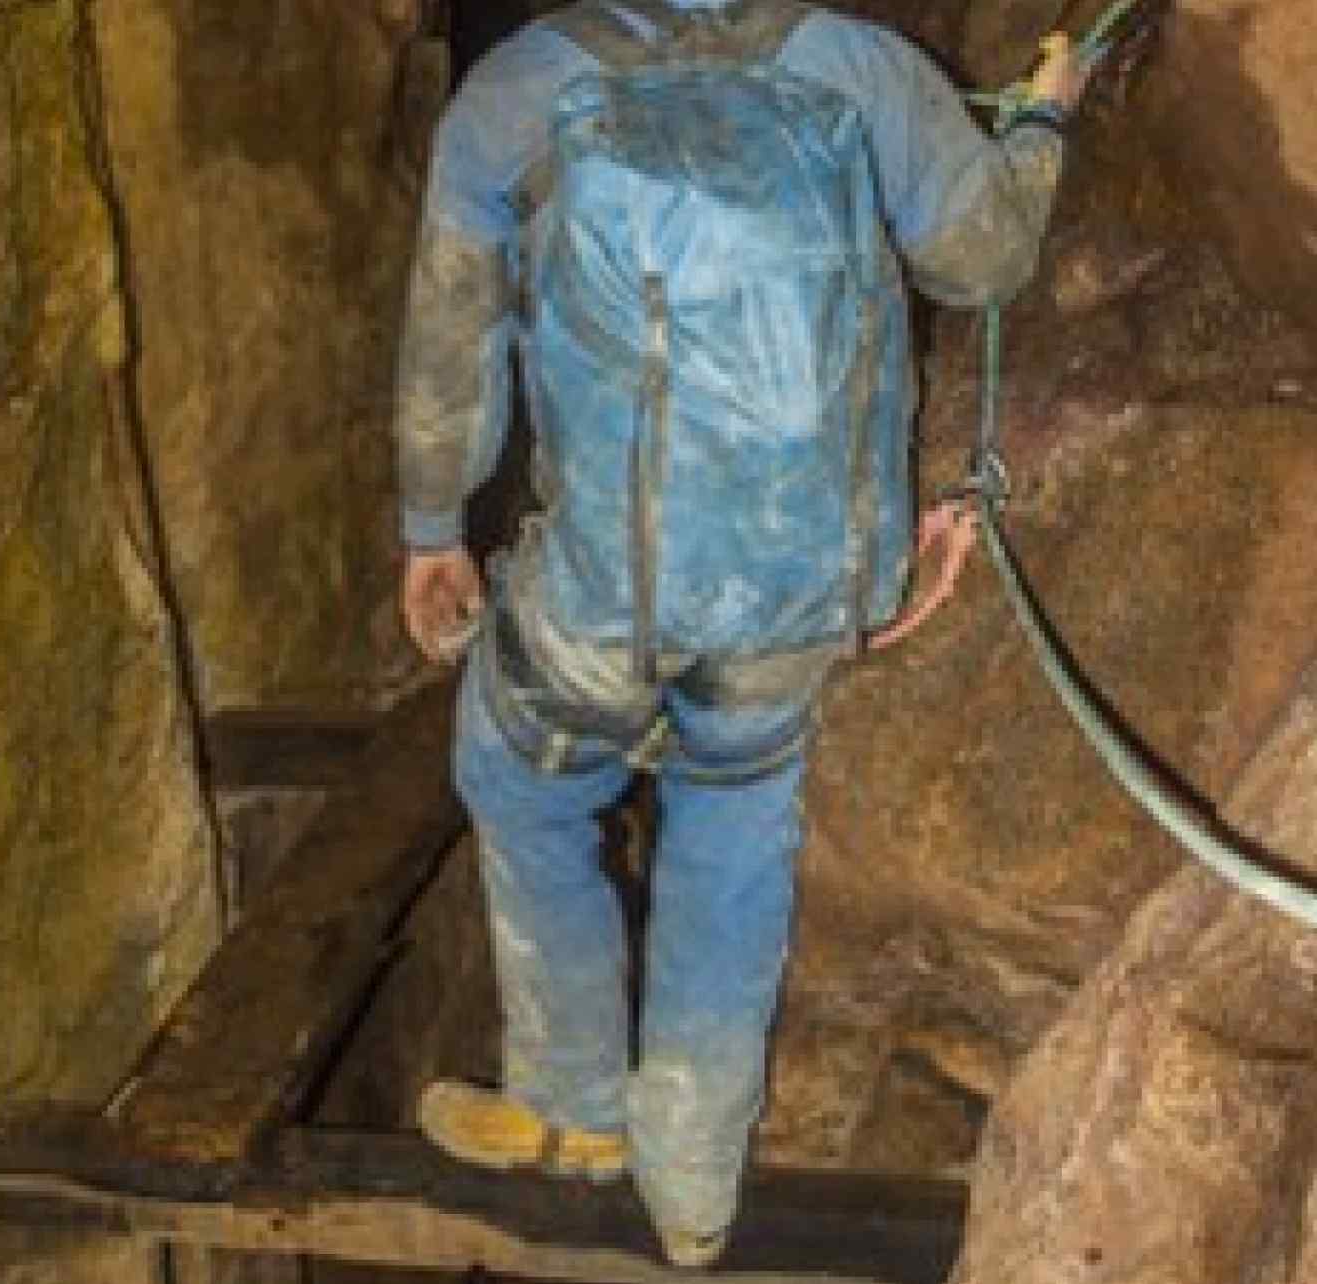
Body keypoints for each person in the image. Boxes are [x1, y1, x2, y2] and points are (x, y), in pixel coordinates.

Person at [390, 0, 1084, 1266]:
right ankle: (696, 1189)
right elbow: (988, 265)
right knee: (734, 818)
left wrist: (434, 526)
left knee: (518, 779)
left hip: (602, 601)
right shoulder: (864, 71)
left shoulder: (518, 89)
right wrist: (1042, 123)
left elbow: (453, 337)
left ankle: (574, 1105)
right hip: (795, 590)